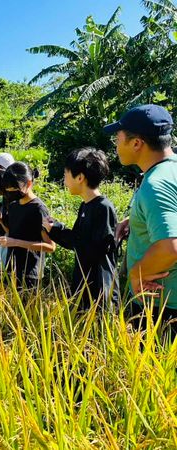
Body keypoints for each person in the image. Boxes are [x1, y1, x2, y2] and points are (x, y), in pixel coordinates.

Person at [104, 104, 177, 336]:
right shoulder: (170, 170)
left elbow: (170, 246)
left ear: (137, 143)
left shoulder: (157, 184)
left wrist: (137, 273)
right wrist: (137, 218)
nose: (115, 145)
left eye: (118, 138)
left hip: (160, 307)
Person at [43, 148, 119, 310]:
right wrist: (54, 228)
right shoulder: (86, 205)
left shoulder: (103, 207)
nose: (64, 181)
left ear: (80, 177)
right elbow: (78, 241)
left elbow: (93, 248)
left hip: (99, 288)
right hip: (84, 282)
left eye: (66, 175)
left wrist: (56, 229)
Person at [0, 162, 56, 289]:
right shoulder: (13, 205)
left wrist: (15, 242)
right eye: (8, 190)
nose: (10, 193)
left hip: (30, 274)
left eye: (14, 189)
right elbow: (13, 231)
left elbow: (50, 246)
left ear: (28, 184)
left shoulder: (38, 208)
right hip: (10, 268)